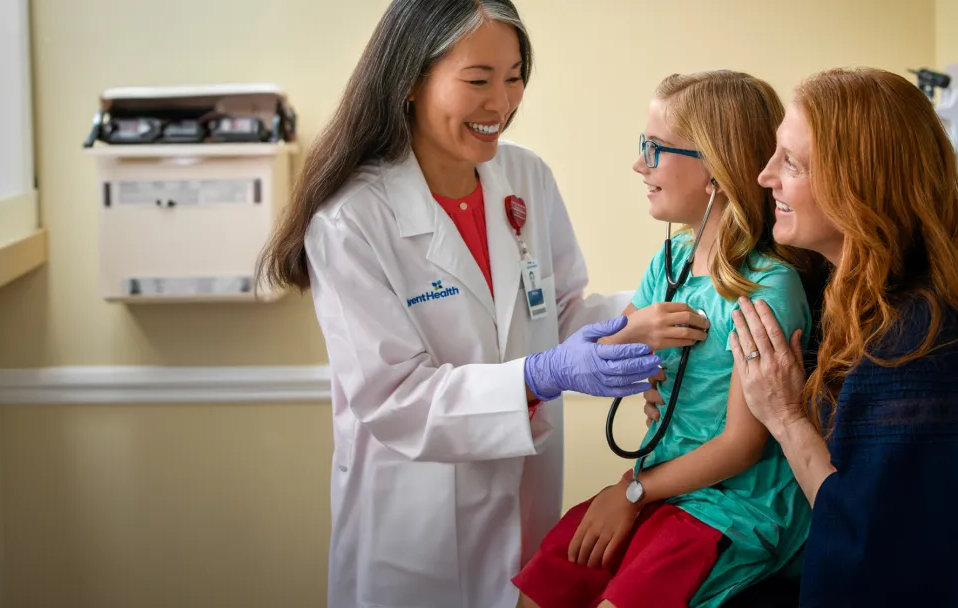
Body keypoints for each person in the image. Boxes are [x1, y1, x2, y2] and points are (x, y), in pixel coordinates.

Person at [253, 2, 698, 607]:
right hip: (414, 530)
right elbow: (394, 398)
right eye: (479, 80)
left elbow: (562, 314)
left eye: (514, 77)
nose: (503, 103)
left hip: (525, 501)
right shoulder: (350, 220)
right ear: (409, 81)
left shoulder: (526, 178)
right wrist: (544, 374)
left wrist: (668, 308)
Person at [513, 71, 824, 608]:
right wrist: (632, 338)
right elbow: (608, 355)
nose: (639, 164)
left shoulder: (767, 288)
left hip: (733, 503)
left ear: (715, 169)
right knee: (547, 581)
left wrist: (630, 492)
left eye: (653, 149)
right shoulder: (672, 262)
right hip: (665, 486)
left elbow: (741, 445)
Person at [725, 67, 958, 607]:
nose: (764, 177)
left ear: (858, 185)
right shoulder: (851, 296)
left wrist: (785, 417)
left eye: (791, 163)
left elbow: (870, 549)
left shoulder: (915, 344)